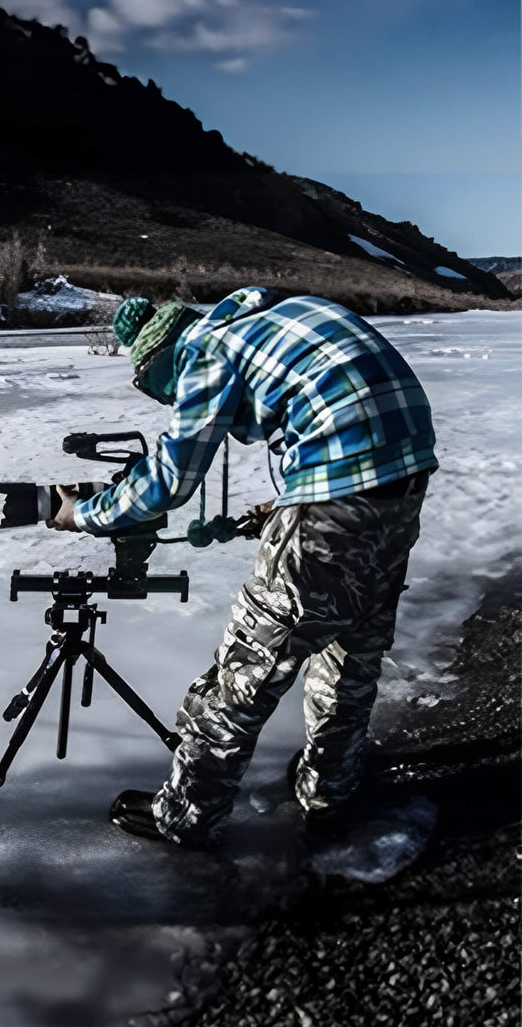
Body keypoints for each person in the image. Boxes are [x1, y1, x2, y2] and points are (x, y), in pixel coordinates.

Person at [48, 286, 437, 848]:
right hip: (401, 485)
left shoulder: (204, 350)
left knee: (247, 668)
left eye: (166, 395)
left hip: (337, 492)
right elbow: (349, 428)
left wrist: (82, 513)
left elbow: (168, 483)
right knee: (352, 645)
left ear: (163, 364)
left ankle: (186, 814)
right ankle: (328, 789)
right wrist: (276, 512)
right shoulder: (266, 318)